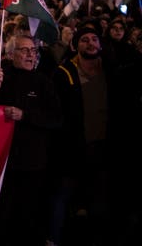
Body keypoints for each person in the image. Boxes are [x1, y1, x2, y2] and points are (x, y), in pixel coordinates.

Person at [0, 35, 63, 246]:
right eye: (24, 50)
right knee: (4, 218)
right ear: (10, 54)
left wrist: (25, 115)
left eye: (33, 51)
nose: (30, 55)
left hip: (33, 163)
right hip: (3, 162)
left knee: (29, 217)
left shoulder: (44, 81)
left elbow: (56, 118)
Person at [49, 25, 116, 245]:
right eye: (84, 39)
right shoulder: (63, 73)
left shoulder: (111, 71)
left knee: (100, 203)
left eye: (94, 39)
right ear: (75, 45)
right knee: (62, 200)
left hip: (102, 149)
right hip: (71, 150)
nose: (90, 43)